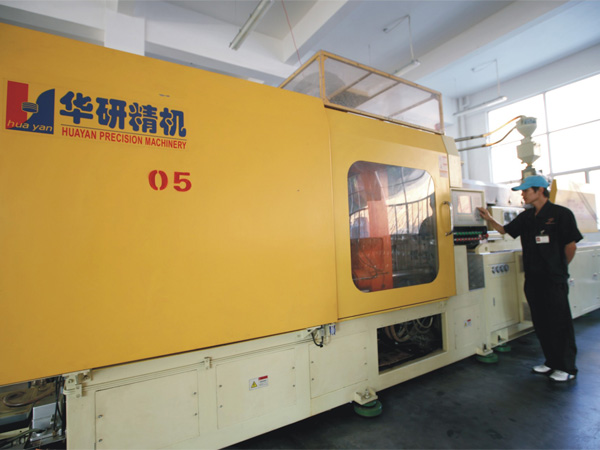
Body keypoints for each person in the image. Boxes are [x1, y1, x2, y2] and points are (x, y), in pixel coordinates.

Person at [477, 175, 583, 382]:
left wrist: (559, 269)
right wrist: (489, 218)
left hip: (554, 279)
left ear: (540, 190)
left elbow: (570, 246)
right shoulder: (527, 217)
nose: (523, 195)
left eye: (526, 191)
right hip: (533, 279)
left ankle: (567, 367)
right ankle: (551, 362)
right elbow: (505, 230)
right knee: (541, 321)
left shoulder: (561, 214)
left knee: (559, 322)